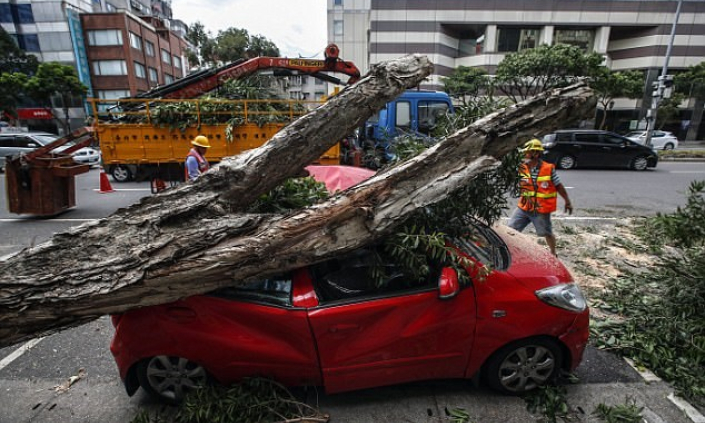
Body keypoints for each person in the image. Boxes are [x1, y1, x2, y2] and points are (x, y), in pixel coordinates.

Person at [508, 139, 573, 256]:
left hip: (540, 210)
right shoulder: (522, 167)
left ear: (536, 154)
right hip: (524, 207)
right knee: (511, 230)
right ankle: (510, 251)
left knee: (546, 233)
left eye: (527, 152)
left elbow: (559, 186)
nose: (524, 155)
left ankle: (553, 253)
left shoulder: (548, 169)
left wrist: (567, 201)